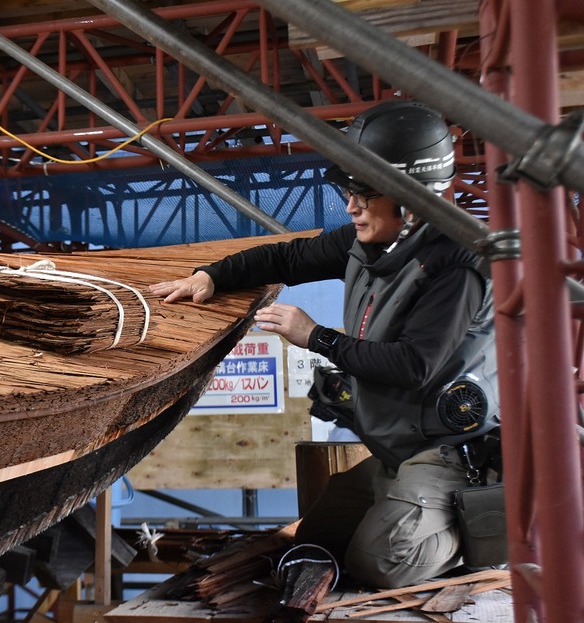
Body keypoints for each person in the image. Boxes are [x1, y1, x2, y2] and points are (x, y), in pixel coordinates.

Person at [149, 100, 500, 589]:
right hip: (393, 448)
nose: (350, 206)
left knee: (381, 563)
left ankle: (485, 531)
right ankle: (404, 502)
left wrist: (314, 336)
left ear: (412, 199)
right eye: (348, 191)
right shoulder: (368, 242)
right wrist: (212, 275)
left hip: (444, 452)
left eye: (364, 194)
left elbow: (414, 366)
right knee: (322, 535)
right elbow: (289, 257)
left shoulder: (455, 265)